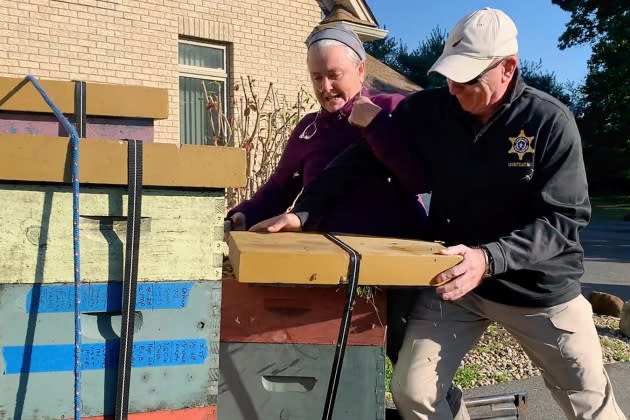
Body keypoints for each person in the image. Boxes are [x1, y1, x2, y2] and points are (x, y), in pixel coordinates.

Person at [250, 8, 626, 420]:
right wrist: (304, 212)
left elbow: (563, 221)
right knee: (414, 392)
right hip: (456, 286)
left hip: (538, 290)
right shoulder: (433, 109)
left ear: (508, 68)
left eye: (468, 80)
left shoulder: (548, 122)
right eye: (449, 75)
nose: (453, 88)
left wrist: (488, 257)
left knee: (590, 405)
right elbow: (361, 160)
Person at [225, 23, 469, 419]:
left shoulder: (391, 110)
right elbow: (279, 186)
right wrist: (244, 214)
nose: (325, 87)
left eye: (334, 75)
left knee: (410, 361)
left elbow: (416, 176)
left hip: (399, 265)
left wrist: (374, 124)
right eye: (317, 77)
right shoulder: (307, 129)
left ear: (360, 70)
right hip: (333, 267)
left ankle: (451, 412)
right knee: (339, 355)